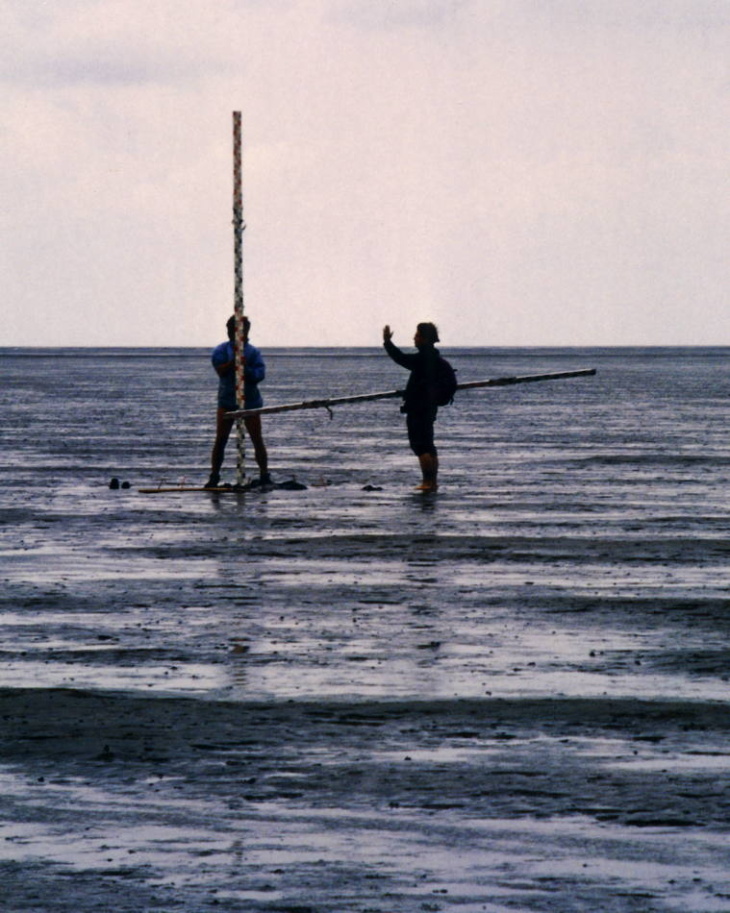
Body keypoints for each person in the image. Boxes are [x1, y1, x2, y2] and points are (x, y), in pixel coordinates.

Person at [206, 315, 270, 488]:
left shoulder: (253, 352)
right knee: (221, 440)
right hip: (227, 401)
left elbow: (259, 375)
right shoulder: (221, 350)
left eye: (235, 329)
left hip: (250, 402)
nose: (231, 332)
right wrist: (233, 363)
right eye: (230, 329)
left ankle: (265, 474)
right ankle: (214, 476)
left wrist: (245, 368)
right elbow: (220, 370)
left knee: (257, 439)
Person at [382, 322, 442, 491]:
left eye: (416, 335)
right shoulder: (435, 357)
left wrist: (387, 342)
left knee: (420, 446)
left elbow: (401, 358)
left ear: (423, 338)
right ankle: (433, 482)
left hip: (418, 407)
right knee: (429, 445)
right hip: (430, 406)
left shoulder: (423, 358)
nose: (414, 338)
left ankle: (427, 482)